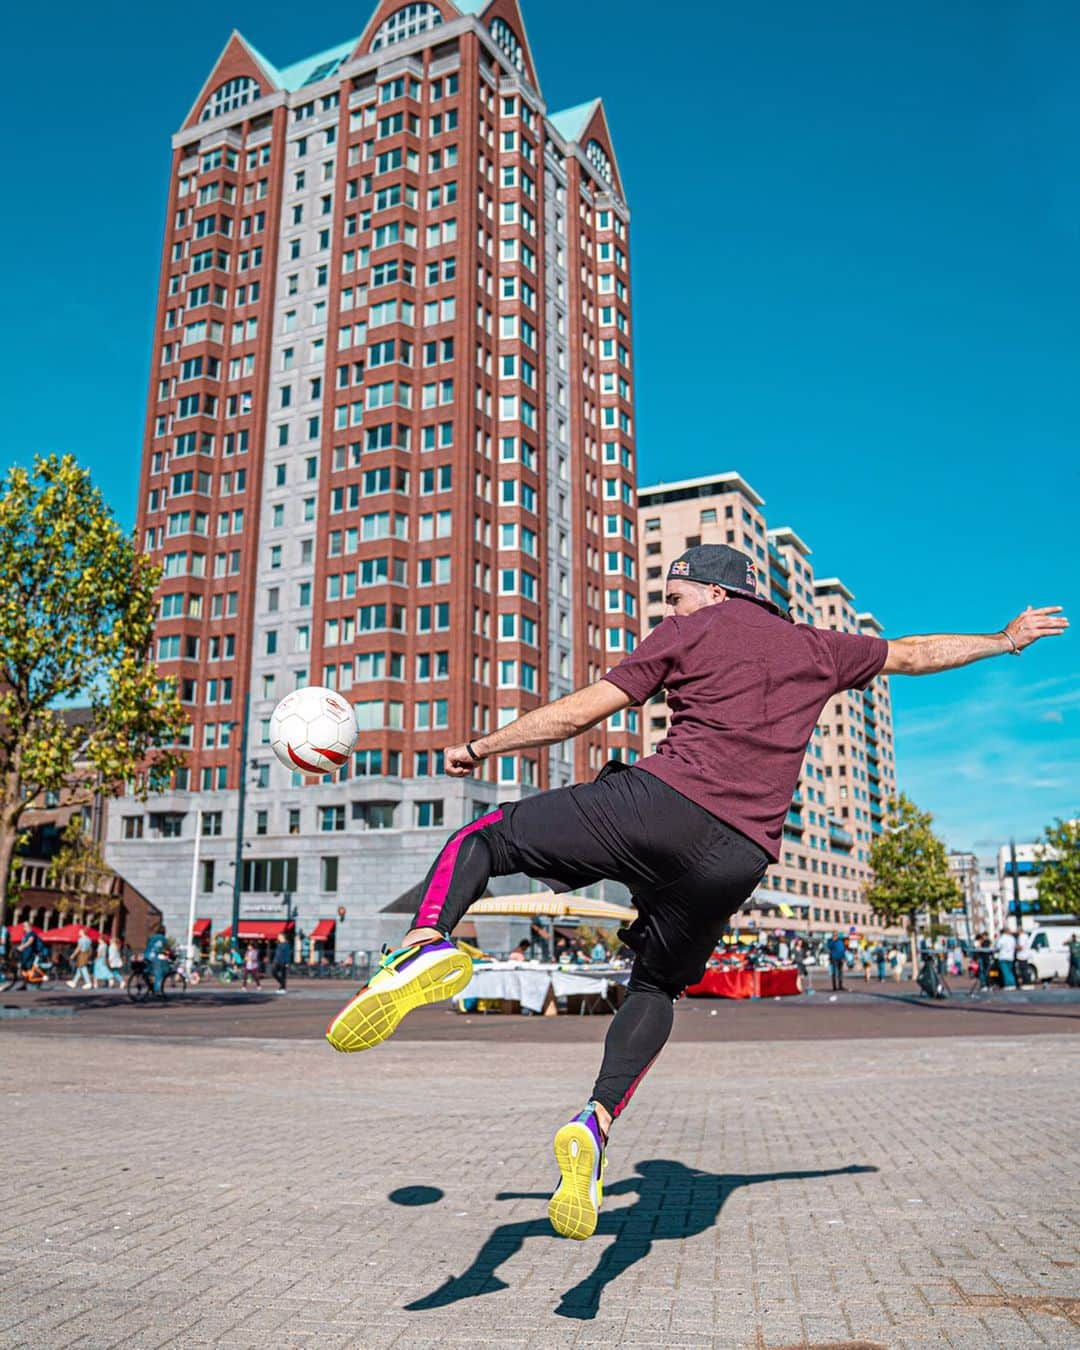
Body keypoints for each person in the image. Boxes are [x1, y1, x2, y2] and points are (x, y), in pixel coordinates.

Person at [324, 543, 1067, 1240]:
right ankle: (594, 1122)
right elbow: (911, 653)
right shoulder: (820, 646)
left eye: (675, 596)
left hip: (666, 805)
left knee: (484, 838)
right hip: (740, 856)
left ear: (716, 591)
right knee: (654, 985)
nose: (668, 611)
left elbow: (583, 710)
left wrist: (480, 747)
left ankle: (426, 942)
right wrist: (1003, 641)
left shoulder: (695, 629)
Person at [144, 931, 172, 996]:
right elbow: (167, 947)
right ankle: (157, 991)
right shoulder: (162, 938)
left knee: (147, 971)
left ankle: (148, 982)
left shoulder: (152, 937)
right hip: (154, 956)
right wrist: (170, 952)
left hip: (146, 954)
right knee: (158, 973)